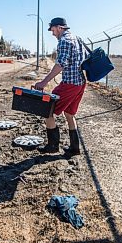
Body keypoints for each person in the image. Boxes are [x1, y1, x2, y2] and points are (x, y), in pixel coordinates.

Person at [34, 17, 86, 156]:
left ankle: (53, 146)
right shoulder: (77, 38)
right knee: (69, 114)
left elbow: (60, 65)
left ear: (59, 27)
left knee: (47, 110)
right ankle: (75, 148)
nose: (52, 33)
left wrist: (44, 82)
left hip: (69, 83)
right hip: (80, 83)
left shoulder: (64, 41)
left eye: (52, 30)